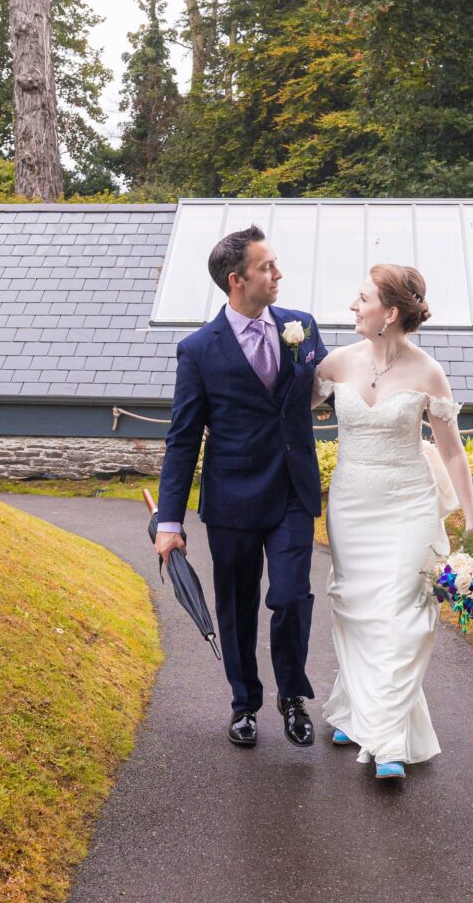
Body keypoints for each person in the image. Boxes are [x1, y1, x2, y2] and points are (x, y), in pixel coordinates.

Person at [155, 225, 327, 749]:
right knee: (236, 605)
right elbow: (182, 440)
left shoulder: (303, 326)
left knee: (292, 596)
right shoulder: (198, 350)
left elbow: (333, 392)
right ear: (238, 280)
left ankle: (292, 696)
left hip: (293, 492)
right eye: (267, 267)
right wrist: (169, 523)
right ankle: (244, 703)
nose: (278, 275)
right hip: (232, 497)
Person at [312, 264, 473, 780]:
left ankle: (386, 740)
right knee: (358, 606)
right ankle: (354, 707)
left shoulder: (428, 373)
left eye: (360, 299)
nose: (351, 307)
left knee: (405, 608)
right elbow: (281, 412)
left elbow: (452, 455)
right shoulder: (336, 364)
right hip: (351, 502)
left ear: (390, 312)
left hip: (409, 501)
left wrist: (472, 527)